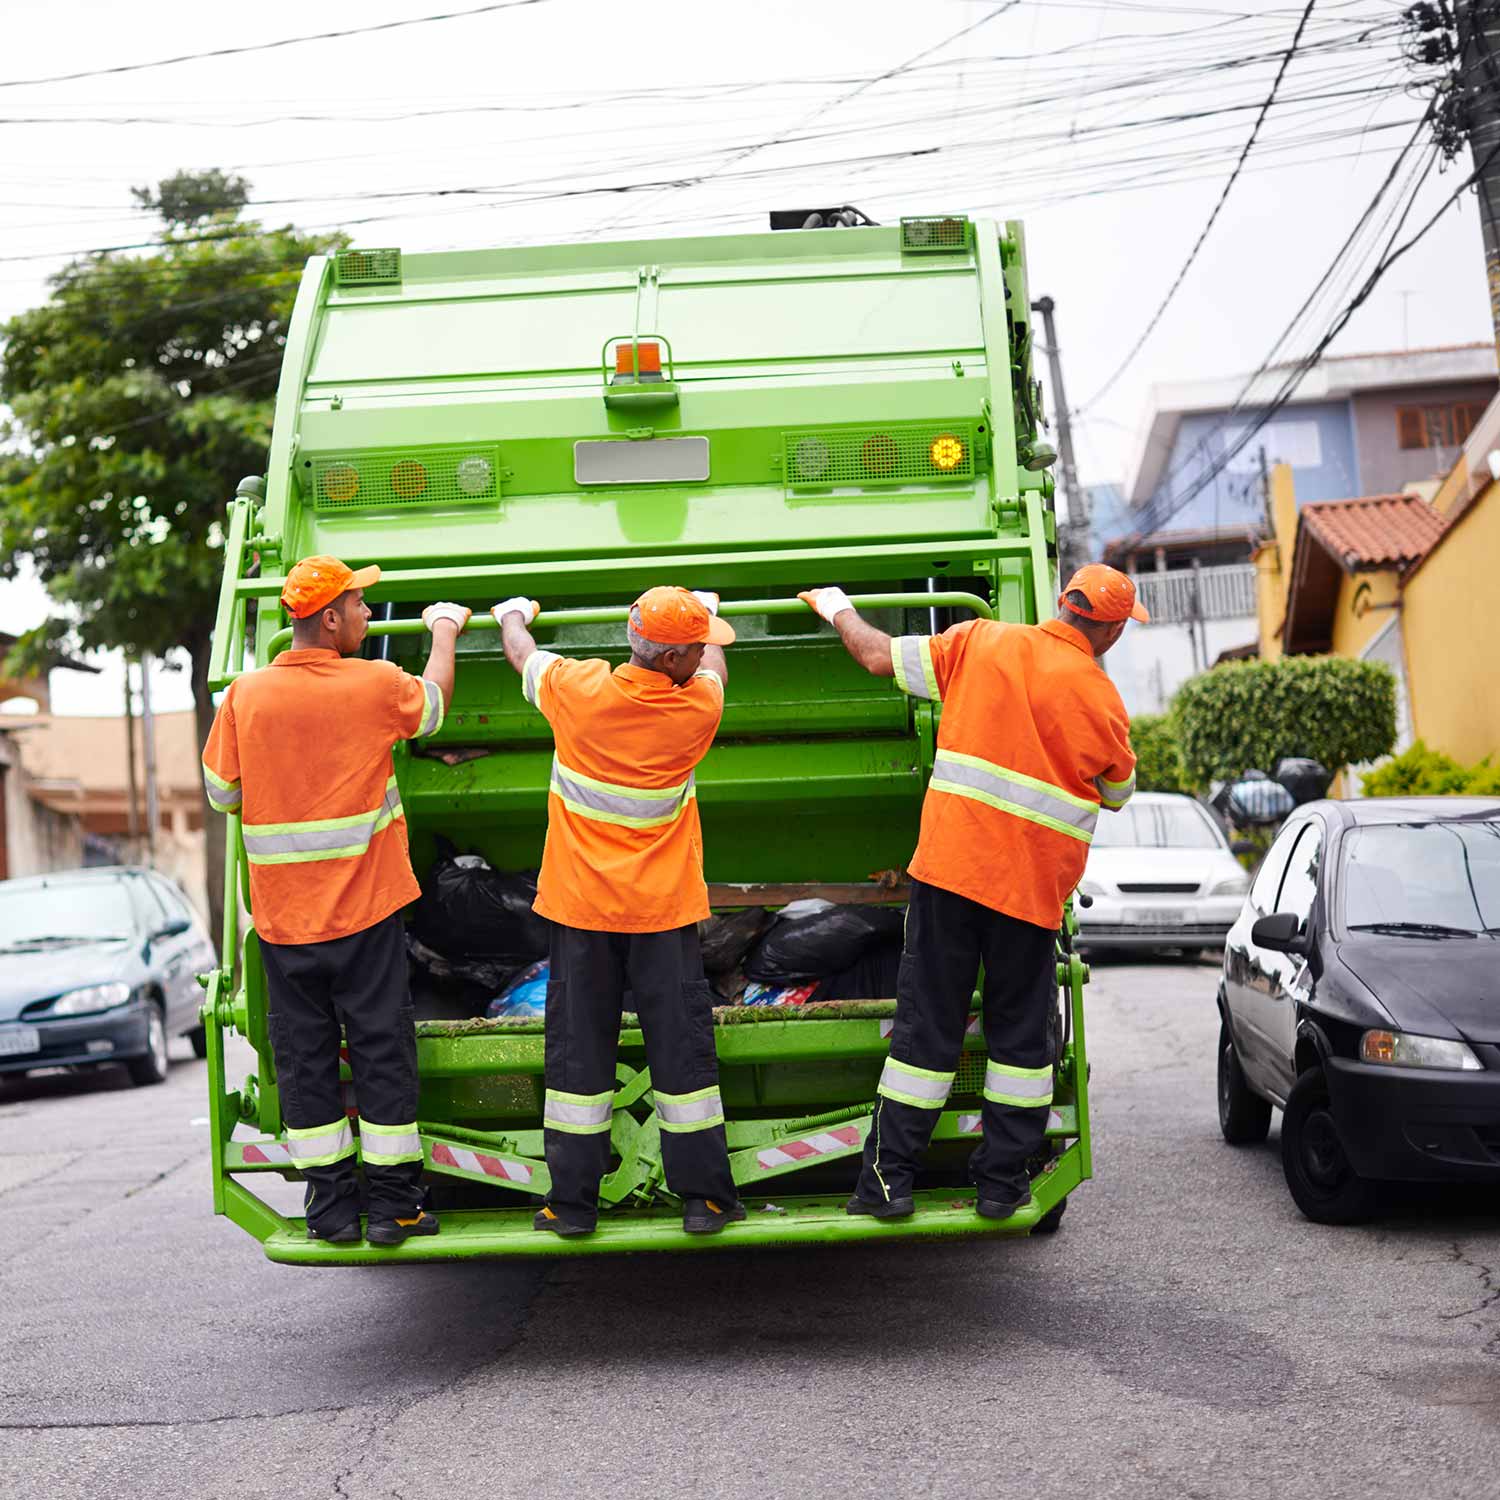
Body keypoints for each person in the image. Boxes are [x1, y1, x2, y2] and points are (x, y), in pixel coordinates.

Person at [797, 564, 1144, 1220]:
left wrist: (838, 606)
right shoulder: (1103, 699)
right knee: (1020, 1045)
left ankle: (888, 1185)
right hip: (1029, 895)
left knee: (926, 1030)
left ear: (1064, 603)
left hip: (950, 878)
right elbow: (1118, 792)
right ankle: (1002, 1186)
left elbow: (876, 657)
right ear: (1114, 630)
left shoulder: (979, 641)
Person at [201, 554, 471, 1247]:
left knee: (305, 1058)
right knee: (381, 1051)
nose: (368, 614)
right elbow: (434, 706)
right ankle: (394, 1208)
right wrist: (444, 630)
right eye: (358, 604)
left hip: (284, 921)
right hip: (366, 912)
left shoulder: (244, 696)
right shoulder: (373, 682)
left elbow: (223, 793)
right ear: (329, 619)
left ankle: (329, 1210)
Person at [493, 585, 745, 1237]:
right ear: (674, 661)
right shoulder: (695, 710)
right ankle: (705, 1200)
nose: (704, 655)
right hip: (661, 915)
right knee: (682, 1057)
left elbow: (521, 654)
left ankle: (572, 1204)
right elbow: (718, 672)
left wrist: (512, 614)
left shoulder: (576, 690)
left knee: (577, 1056)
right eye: (696, 647)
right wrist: (712, 610)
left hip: (581, 911)